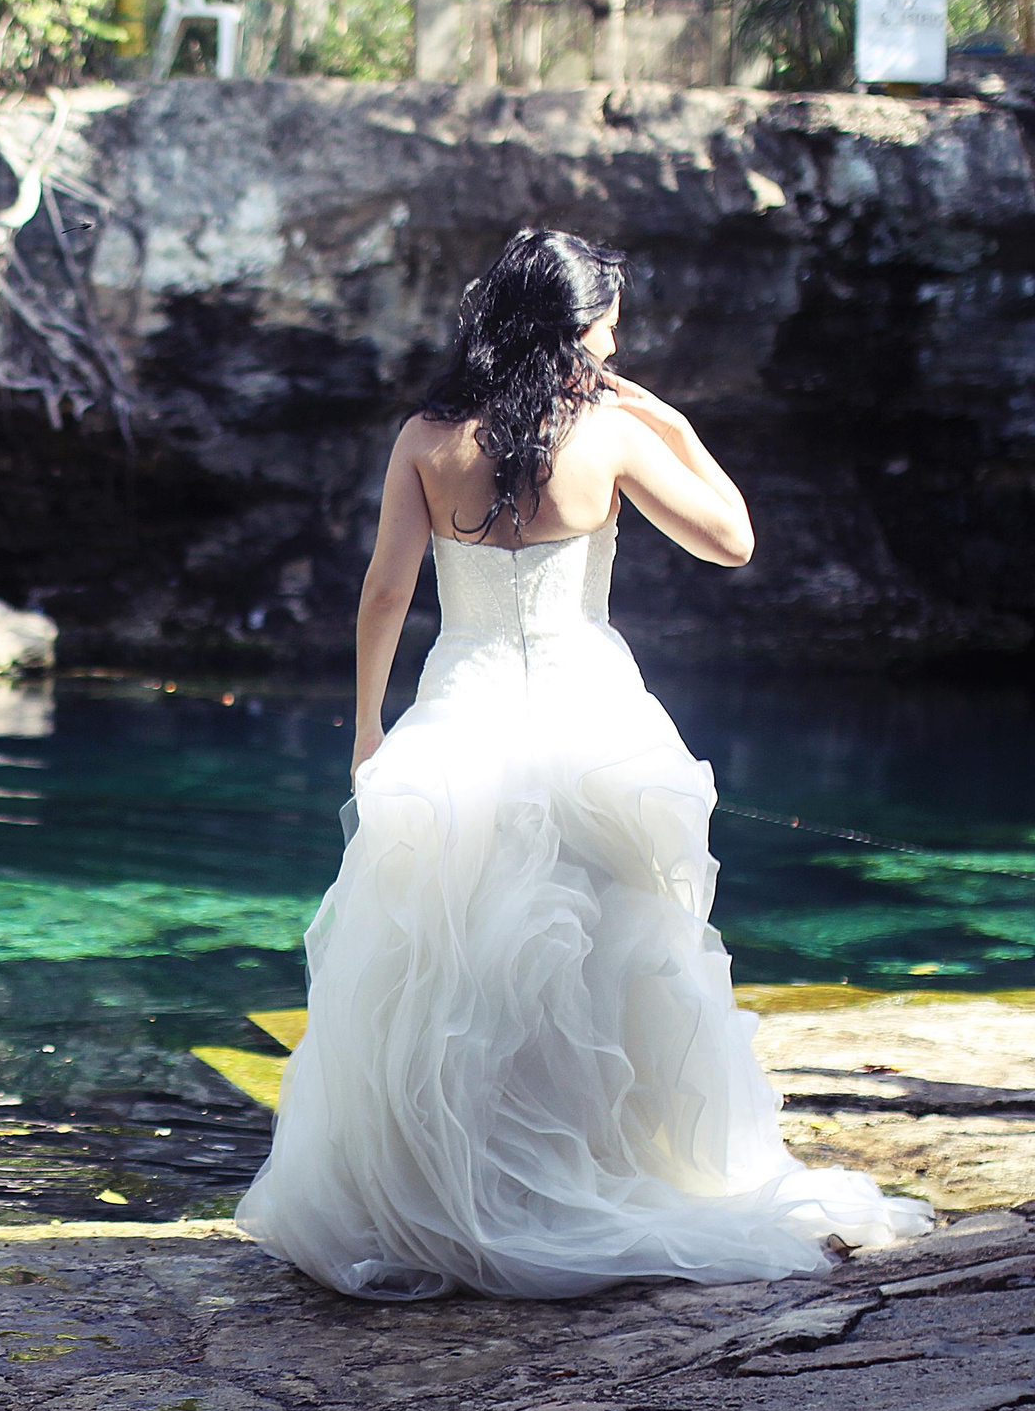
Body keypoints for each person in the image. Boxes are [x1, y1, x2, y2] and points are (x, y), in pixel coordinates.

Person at [236, 229, 931, 1301]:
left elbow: (382, 593)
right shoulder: (607, 433)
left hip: (461, 707)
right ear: (572, 328)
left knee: (444, 962)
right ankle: (600, 1169)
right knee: (614, 948)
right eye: (606, 319)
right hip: (586, 708)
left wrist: (369, 723)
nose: (617, 338)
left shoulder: (427, 436)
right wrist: (680, 425)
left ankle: (450, 1191)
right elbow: (732, 541)